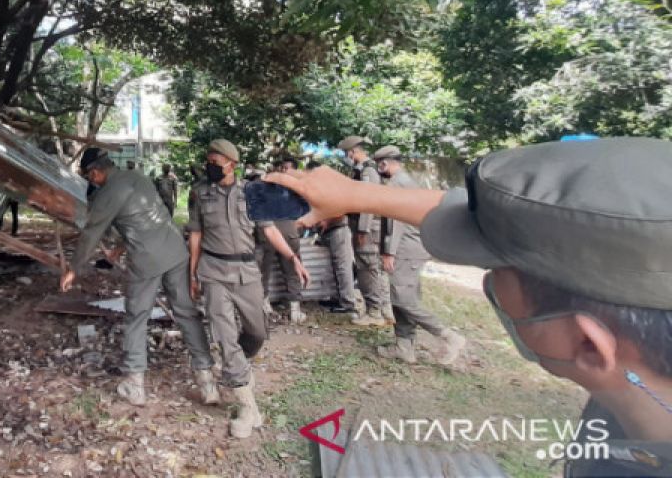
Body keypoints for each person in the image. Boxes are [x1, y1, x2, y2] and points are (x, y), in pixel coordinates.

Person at [265, 137, 672, 477]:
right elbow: (477, 216)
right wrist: (357, 195)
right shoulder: (634, 392)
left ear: (588, 345)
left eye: (496, 270)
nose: (490, 282)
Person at [61, 148, 218, 408]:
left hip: (147, 261)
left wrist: (73, 268)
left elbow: (91, 234)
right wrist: (121, 247)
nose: (91, 182)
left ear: (96, 172)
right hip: (176, 251)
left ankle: (135, 386)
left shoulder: (107, 193)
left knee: (136, 317)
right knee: (187, 313)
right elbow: (145, 218)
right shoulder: (138, 177)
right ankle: (207, 382)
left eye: (90, 177)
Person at [188, 139, 311, 439]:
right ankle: (245, 404)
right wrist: (193, 273)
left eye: (216, 161)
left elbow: (268, 230)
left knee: (257, 332)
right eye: (209, 160)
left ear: (232, 164)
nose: (210, 165)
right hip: (213, 271)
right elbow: (196, 234)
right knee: (225, 336)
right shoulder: (199, 192)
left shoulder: (252, 193)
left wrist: (293, 258)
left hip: (246, 272)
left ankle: (238, 366)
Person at [371, 145, 465, 365]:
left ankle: (448, 336)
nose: (379, 169)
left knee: (405, 299)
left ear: (384, 164)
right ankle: (404, 347)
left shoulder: (397, 185)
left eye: (379, 165)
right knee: (398, 297)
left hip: (405, 249)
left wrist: (388, 252)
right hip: (408, 249)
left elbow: (396, 222)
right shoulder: (407, 182)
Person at [246, 155, 309, 323]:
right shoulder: (296, 185)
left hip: (267, 231)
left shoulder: (264, 186)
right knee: (292, 269)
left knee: (263, 270)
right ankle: (295, 309)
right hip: (288, 230)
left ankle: (265, 304)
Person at [336, 135, 391, 326]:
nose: (346, 156)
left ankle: (374, 311)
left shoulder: (368, 171)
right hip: (364, 226)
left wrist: (362, 229)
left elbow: (368, 202)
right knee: (371, 267)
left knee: (367, 267)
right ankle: (383, 309)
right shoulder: (362, 170)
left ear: (353, 151)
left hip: (367, 228)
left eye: (346, 153)